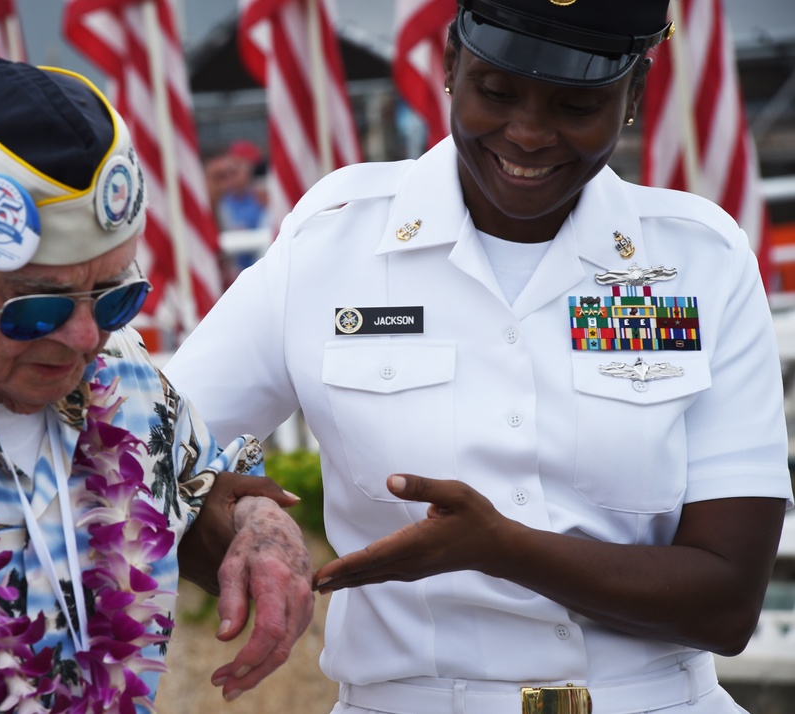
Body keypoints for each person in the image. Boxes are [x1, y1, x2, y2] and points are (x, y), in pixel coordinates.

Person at [164, 1, 794, 712]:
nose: (527, 132)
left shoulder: (697, 259)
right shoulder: (332, 245)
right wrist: (244, 525)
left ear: (634, 97)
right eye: (496, 93)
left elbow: (728, 602)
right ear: (451, 66)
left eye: (576, 103)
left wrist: (499, 547)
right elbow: (136, 452)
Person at [0, 50, 312, 713]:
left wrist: (259, 523)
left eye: (114, 293)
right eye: (37, 305)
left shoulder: (121, 374)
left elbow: (197, 484)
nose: (85, 337)